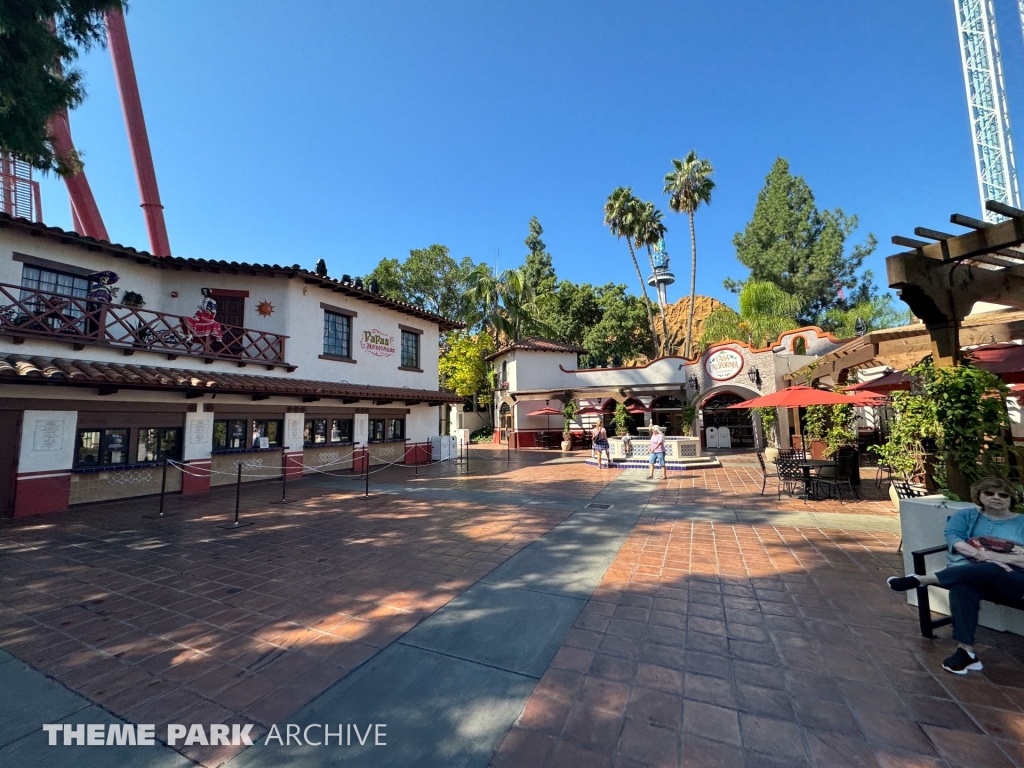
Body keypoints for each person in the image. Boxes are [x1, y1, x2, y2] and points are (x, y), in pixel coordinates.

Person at [888, 476, 1024, 674]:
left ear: (1011, 499)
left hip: (1016, 582)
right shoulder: (967, 516)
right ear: (979, 495)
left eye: (1003, 495)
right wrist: (982, 555)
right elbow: (954, 538)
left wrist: (997, 559)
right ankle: (965, 652)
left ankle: (924, 579)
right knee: (962, 588)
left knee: (993, 569)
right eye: (989, 493)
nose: (996, 498)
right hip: (975, 577)